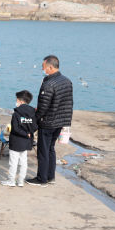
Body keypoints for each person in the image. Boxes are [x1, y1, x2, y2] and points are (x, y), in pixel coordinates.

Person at [27, 55, 73, 187]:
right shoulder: (67, 81)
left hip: (48, 122)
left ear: (50, 67)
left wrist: (35, 122)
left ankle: (42, 178)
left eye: (43, 67)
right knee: (51, 149)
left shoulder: (48, 84)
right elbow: (69, 103)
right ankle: (50, 176)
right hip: (60, 121)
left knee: (43, 150)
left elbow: (43, 107)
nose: (42, 69)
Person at [1, 90, 37, 187]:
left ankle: (11, 180)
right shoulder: (33, 112)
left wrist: (25, 133)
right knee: (23, 162)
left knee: (13, 162)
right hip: (27, 142)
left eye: (16, 99)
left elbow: (15, 129)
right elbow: (35, 126)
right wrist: (29, 133)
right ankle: (21, 181)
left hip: (16, 141)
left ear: (20, 101)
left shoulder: (16, 113)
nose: (16, 101)